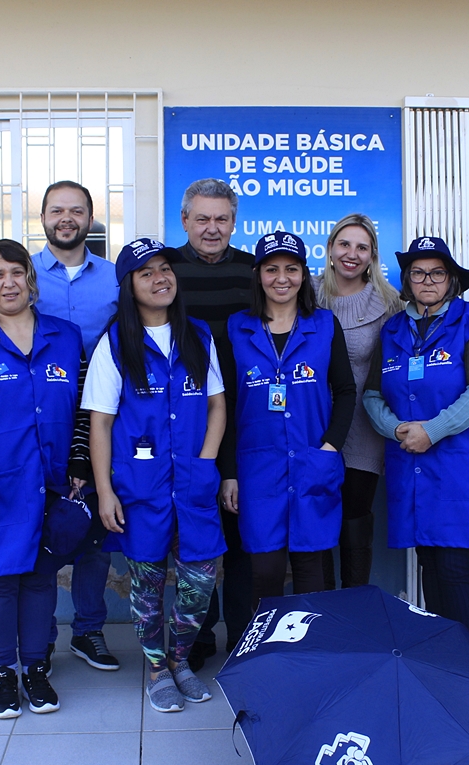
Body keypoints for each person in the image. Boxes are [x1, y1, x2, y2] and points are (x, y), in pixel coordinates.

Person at [0, 239, 91, 717]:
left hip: (52, 483)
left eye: (17, 273)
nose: (8, 283)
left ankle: (35, 669)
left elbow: (85, 407)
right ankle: (5, 673)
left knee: (42, 579)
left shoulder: (65, 336)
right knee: (0, 580)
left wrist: (80, 462)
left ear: (32, 279)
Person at [86, 238, 227, 712]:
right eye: (146, 273)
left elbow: (216, 406)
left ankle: (181, 658)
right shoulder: (115, 343)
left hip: (193, 481)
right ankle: (155, 668)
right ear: (129, 285)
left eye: (165, 269)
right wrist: (105, 491)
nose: (159, 278)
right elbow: (100, 423)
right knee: (146, 586)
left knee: (199, 581)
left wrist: (206, 461)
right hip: (139, 487)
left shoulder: (198, 336)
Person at [363, 237, 469, 636]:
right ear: (407, 280)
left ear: (452, 281)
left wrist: (432, 430)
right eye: (418, 272)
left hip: (460, 465)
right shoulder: (392, 330)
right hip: (412, 462)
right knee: (430, 561)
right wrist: (395, 428)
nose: (428, 280)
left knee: (457, 564)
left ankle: (467, 659)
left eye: (437, 273)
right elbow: (372, 394)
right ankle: (445, 651)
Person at [223, 231, 357, 604]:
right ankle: (268, 656)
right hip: (257, 469)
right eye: (272, 269)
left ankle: (311, 657)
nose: (282, 278)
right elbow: (227, 402)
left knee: (311, 568)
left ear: (304, 274)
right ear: (258, 275)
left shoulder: (325, 326)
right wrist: (229, 471)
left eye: (291, 269)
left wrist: (330, 448)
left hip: (312, 461)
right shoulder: (237, 328)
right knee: (264, 572)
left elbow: (346, 391)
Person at [33, 180, 121, 672]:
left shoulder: (113, 279)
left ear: (90, 218)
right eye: (56, 210)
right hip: (41, 423)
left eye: (76, 210)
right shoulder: (23, 277)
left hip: (103, 419)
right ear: (43, 217)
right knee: (43, 533)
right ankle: (39, 637)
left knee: (96, 529)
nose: (66, 218)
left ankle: (88, 631)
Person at [171, 178, 256, 672]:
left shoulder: (254, 271)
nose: (211, 228)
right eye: (201, 218)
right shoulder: (165, 270)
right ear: (184, 220)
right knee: (195, 536)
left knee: (242, 534)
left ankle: (243, 636)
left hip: (247, 421)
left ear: (234, 222)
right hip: (186, 425)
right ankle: (197, 635)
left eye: (221, 219)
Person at [313, 214, 403, 589]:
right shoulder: (307, 294)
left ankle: (353, 615)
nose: (352, 254)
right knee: (313, 522)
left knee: (354, 521)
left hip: (364, 429)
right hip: (314, 424)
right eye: (344, 244)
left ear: (372, 256)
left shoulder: (390, 303)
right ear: (331, 250)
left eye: (361, 247)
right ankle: (320, 618)